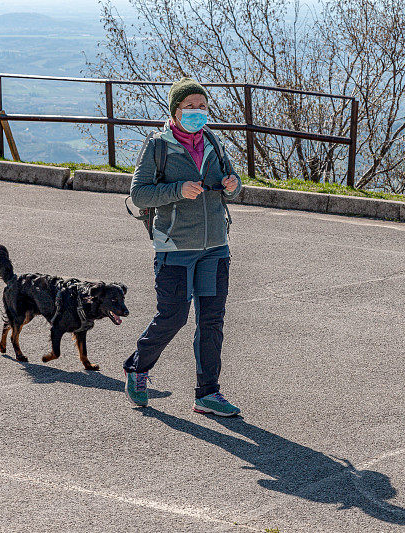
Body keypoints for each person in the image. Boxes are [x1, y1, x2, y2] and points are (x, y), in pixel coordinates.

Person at [123, 77, 242, 415]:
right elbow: (140, 194)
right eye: (189, 107)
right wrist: (178, 190)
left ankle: (207, 394)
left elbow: (233, 187)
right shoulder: (157, 146)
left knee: (212, 321)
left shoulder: (213, 143)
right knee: (173, 316)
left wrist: (232, 186)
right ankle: (137, 367)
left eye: (202, 107)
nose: (196, 112)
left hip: (216, 246)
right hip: (175, 247)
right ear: (174, 111)